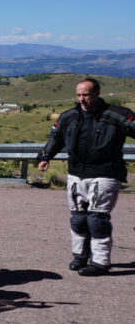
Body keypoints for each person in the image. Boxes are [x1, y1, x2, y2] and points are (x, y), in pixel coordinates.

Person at [37, 78, 135, 276]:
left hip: (105, 173)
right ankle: (80, 256)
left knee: (97, 219)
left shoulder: (117, 115)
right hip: (76, 173)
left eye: (86, 95)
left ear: (97, 94)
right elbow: (55, 138)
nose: (82, 99)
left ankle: (100, 262)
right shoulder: (69, 117)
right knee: (78, 219)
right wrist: (45, 157)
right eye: (79, 95)